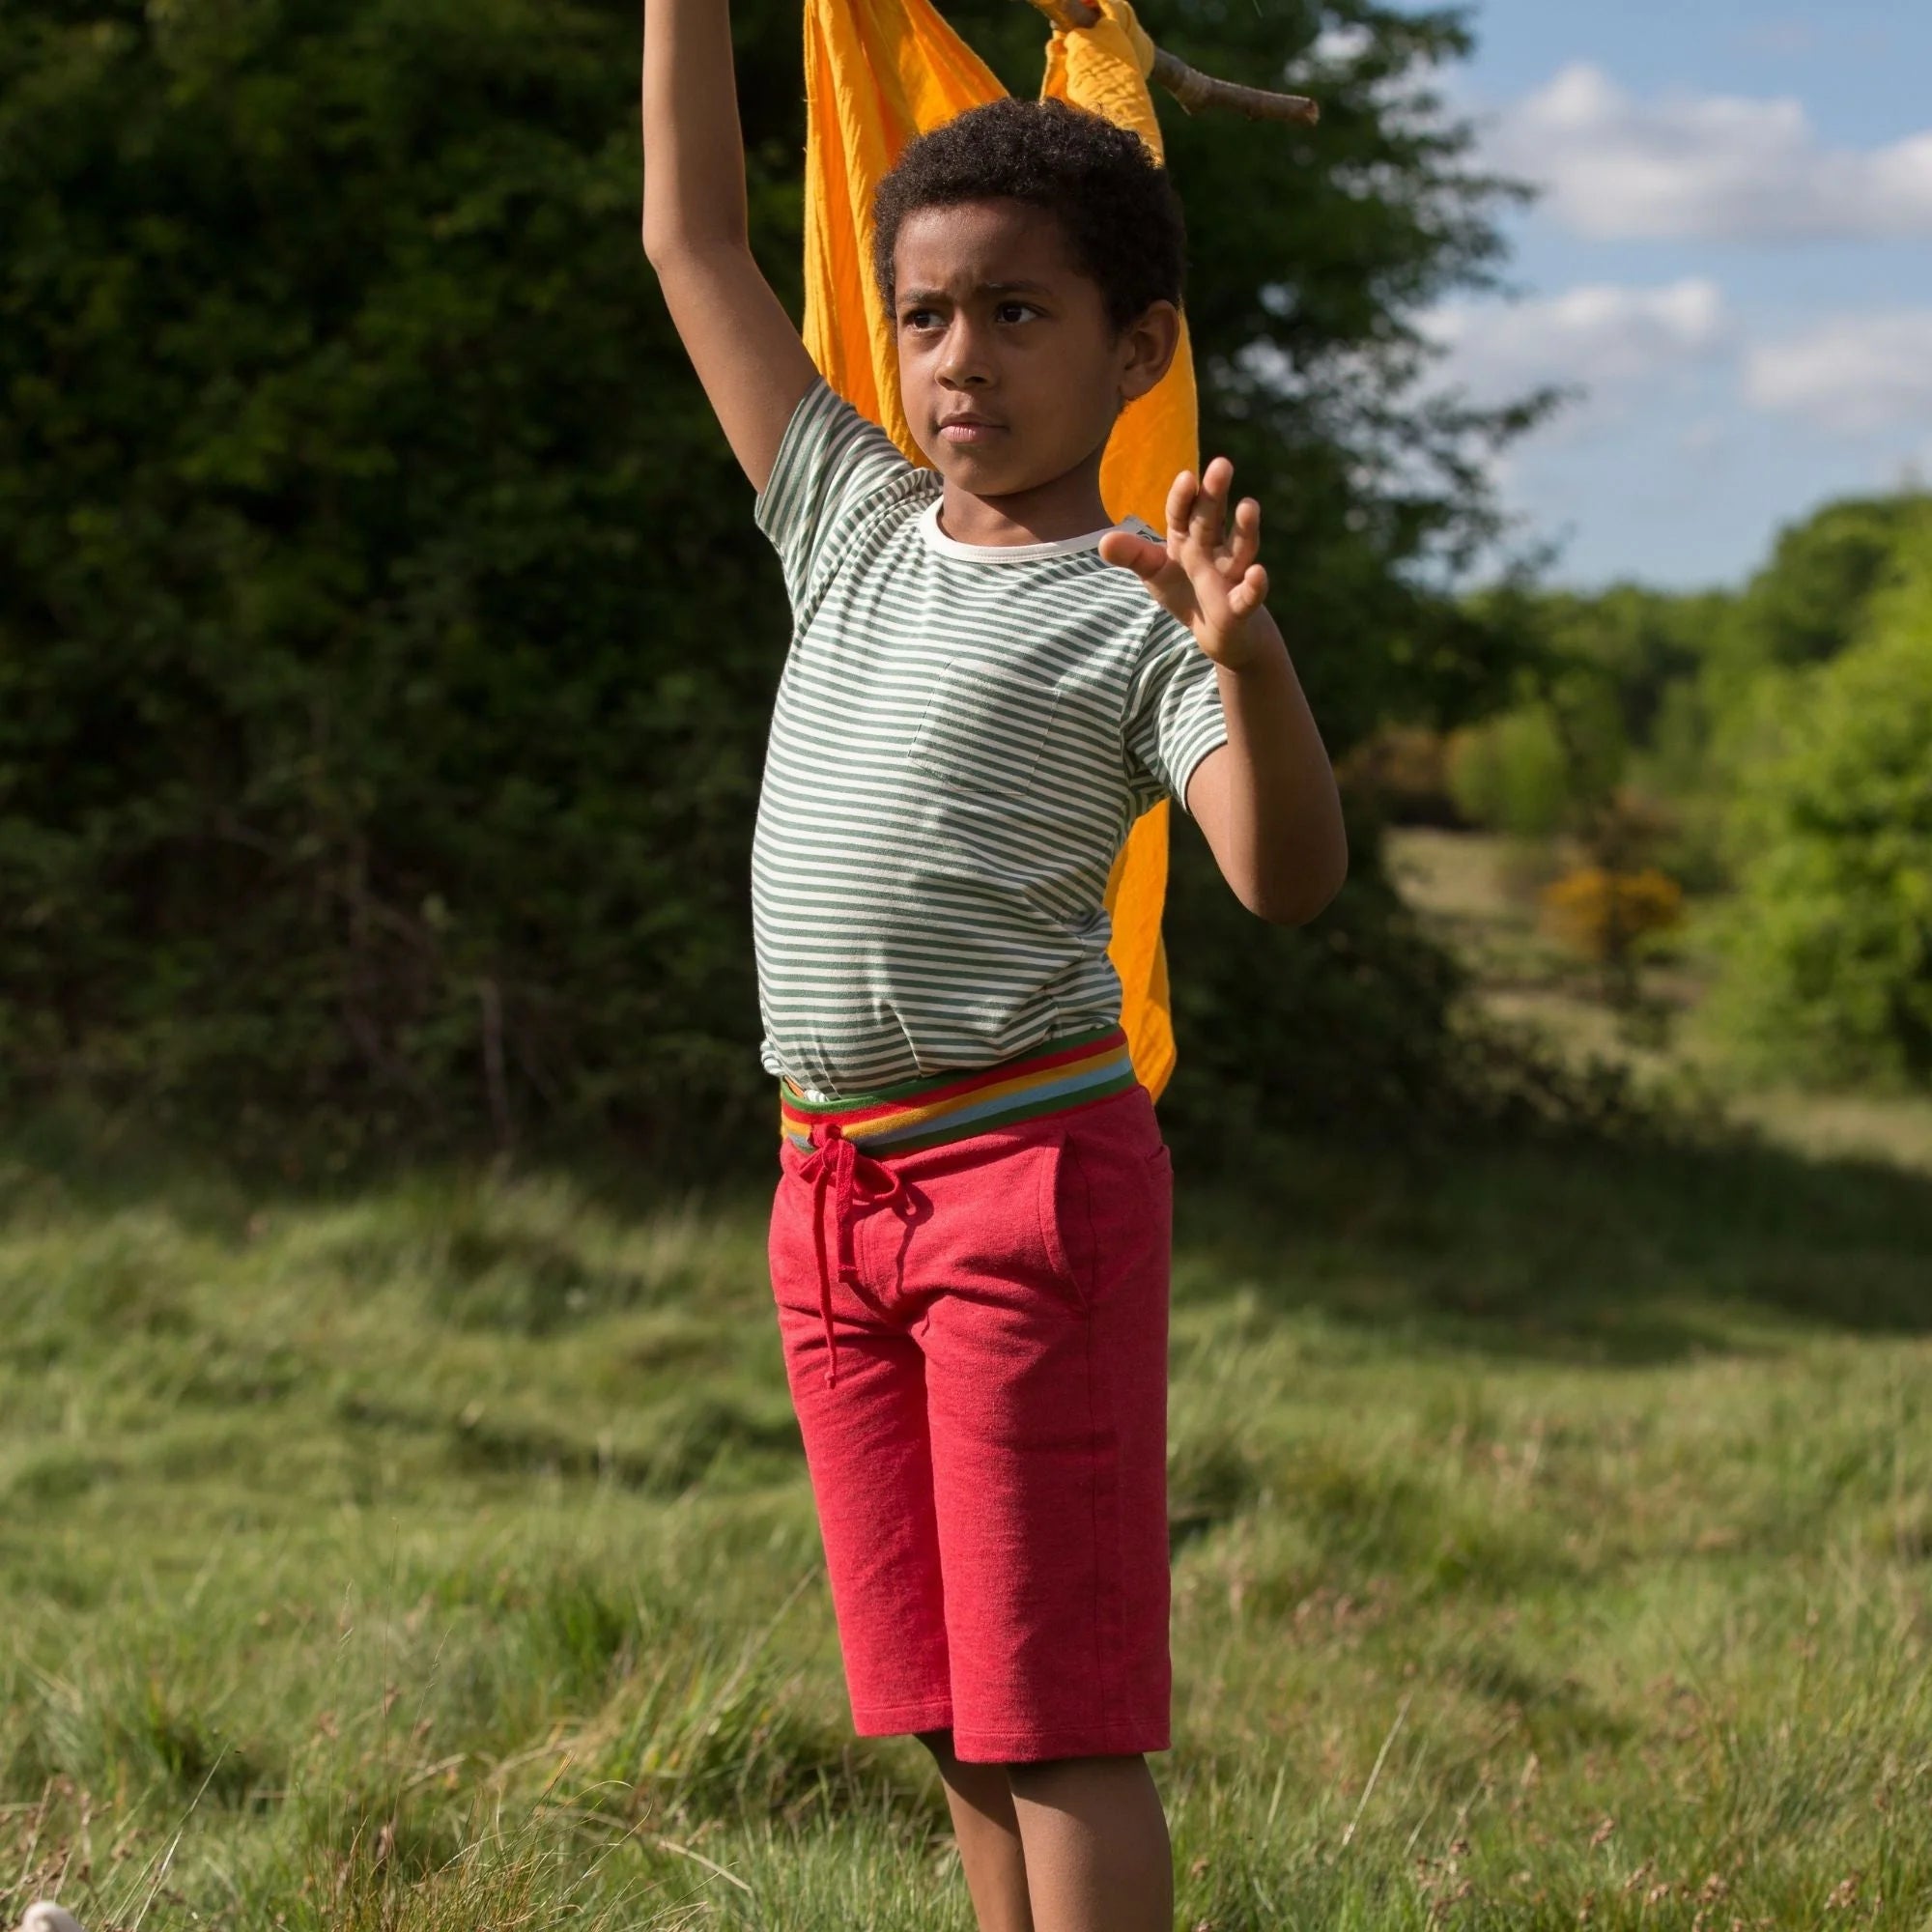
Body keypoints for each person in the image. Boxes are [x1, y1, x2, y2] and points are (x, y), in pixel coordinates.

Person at [641, 1, 1348, 1923]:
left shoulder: (1140, 611)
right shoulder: (850, 521)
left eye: (1018, 315)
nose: (959, 360)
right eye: (929, 315)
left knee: (1059, 1719)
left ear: (1137, 349)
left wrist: (1243, 661)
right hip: (828, 1192)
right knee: (951, 1707)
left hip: (1027, 1190)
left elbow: (1284, 879)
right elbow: (692, 243)